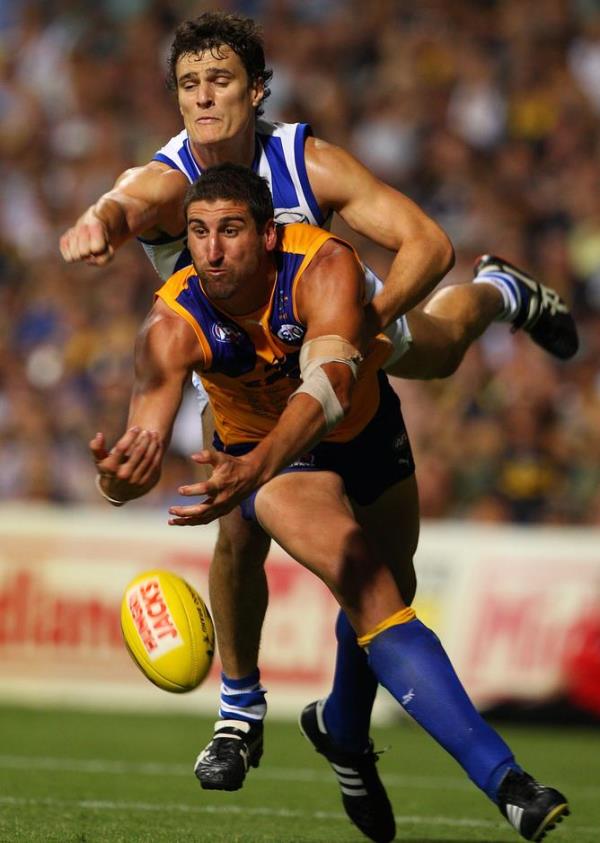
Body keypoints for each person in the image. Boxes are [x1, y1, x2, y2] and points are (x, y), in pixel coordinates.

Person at [62, 11, 578, 833]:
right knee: (248, 524)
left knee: (435, 351)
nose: (203, 97)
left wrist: (367, 331)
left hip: (331, 335)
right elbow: (131, 200)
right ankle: (240, 710)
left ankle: (502, 292)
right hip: (253, 392)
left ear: (257, 89)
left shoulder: (308, 168)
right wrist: (99, 220)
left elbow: (425, 241)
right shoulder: (169, 195)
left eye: (221, 80)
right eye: (189, 84)